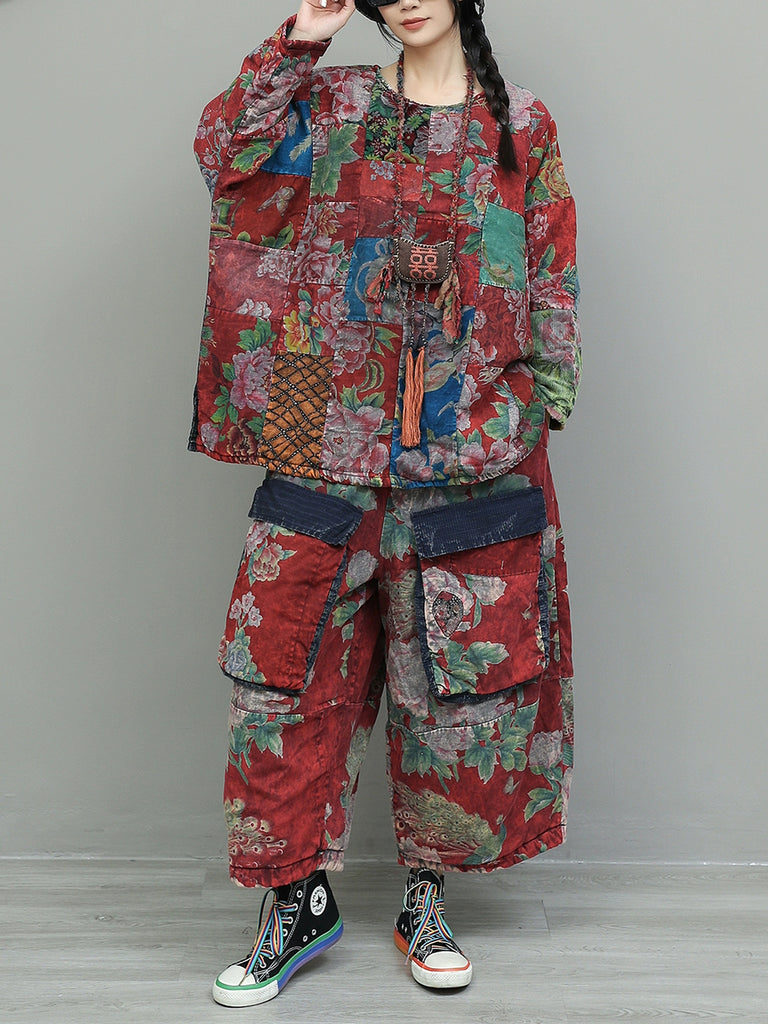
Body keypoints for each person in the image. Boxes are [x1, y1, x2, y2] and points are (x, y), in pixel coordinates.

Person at [190, 0, 580, 1006]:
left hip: (471, 449)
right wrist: (303, 34)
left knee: (457, 689)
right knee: (283, 679)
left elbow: (552, 274)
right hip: (319, 430)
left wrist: (538, 402)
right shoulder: (328, 104)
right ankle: (294, 902)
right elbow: (226, 152)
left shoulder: (520, 124)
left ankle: (425, 898)